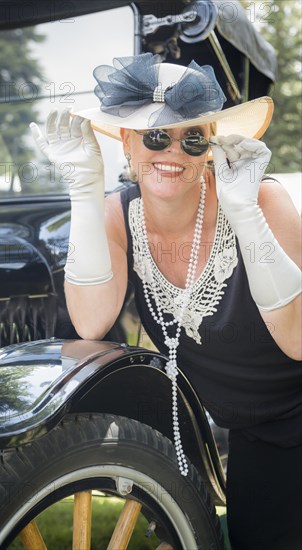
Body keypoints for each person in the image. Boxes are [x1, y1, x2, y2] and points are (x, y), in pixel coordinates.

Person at [30, 54, 302, 549]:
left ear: (210, 148)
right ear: (127, 145)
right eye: (155, 136)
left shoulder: (262, 201)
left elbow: (299, 340)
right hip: (253, 432)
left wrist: (245, 214)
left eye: (191, 137)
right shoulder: (117, 215)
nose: (171, 152)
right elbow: (91, 322)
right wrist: (84, 191)